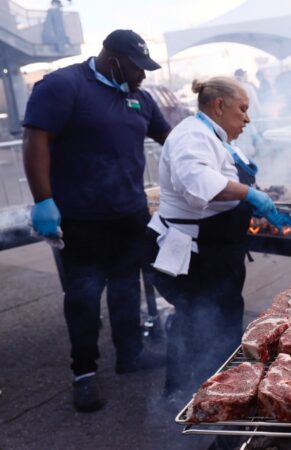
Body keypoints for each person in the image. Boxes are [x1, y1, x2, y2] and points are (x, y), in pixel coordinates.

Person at [22, 29, 171, 413]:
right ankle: (84, 373)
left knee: (125, 288)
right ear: (113, 59)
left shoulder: (138, 97)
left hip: (129, 212)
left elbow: (171, 139)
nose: (143, 75)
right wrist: (44, 201)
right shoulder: (64, 85)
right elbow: (36, 140)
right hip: (81, 217)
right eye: (138, 67)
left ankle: (131, 354)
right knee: (84, 297)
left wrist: (218, 150)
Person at [145, 77, 282, 401]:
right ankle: (188, 396)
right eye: (243, 109)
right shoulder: (191, 135)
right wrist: (249, 194)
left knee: (222, 318)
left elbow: (226, 181)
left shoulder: (214, 136)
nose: (247, 118)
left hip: (218, 250)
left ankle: (223, 388)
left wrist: (250, 203)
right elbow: (198, 182)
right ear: (219, 105)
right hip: (193, 253)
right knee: (198, 320)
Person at [233, 68, 265, 157]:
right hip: (250, 117)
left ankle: (243, 158)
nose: (246, 77)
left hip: (237, 118)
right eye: (245, 75)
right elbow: (255, 101)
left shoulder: (232, 89)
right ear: (242, 76)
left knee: (240, 139)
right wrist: (260, 112)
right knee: (250, 138)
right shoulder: (248, 87)